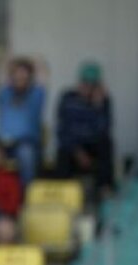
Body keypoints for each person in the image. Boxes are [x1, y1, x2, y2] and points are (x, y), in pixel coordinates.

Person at [56, 61, 115, 197]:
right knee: (63, 151)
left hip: (93, 144)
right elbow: (62, 129)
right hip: (73, 146)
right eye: (85, 83)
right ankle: (62, 192)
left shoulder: (104, 101)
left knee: (106, 143)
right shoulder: (67, 98)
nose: (87, 87)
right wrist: (77, 152)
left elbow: (103, 130)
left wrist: (98, 107)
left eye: (92, 84)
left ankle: (104, 188)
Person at [0, 57, 46, 185]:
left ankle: (26, 193)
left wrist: (28, 61)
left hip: (27, 143)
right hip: (3, 144)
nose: (20, 77)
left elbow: (43, 70)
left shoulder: (36, 94)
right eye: (17, 73)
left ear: (30, 76)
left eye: (23, 73)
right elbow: (1, 68)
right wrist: (14, 63)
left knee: (26, 153)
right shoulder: (5, 93)